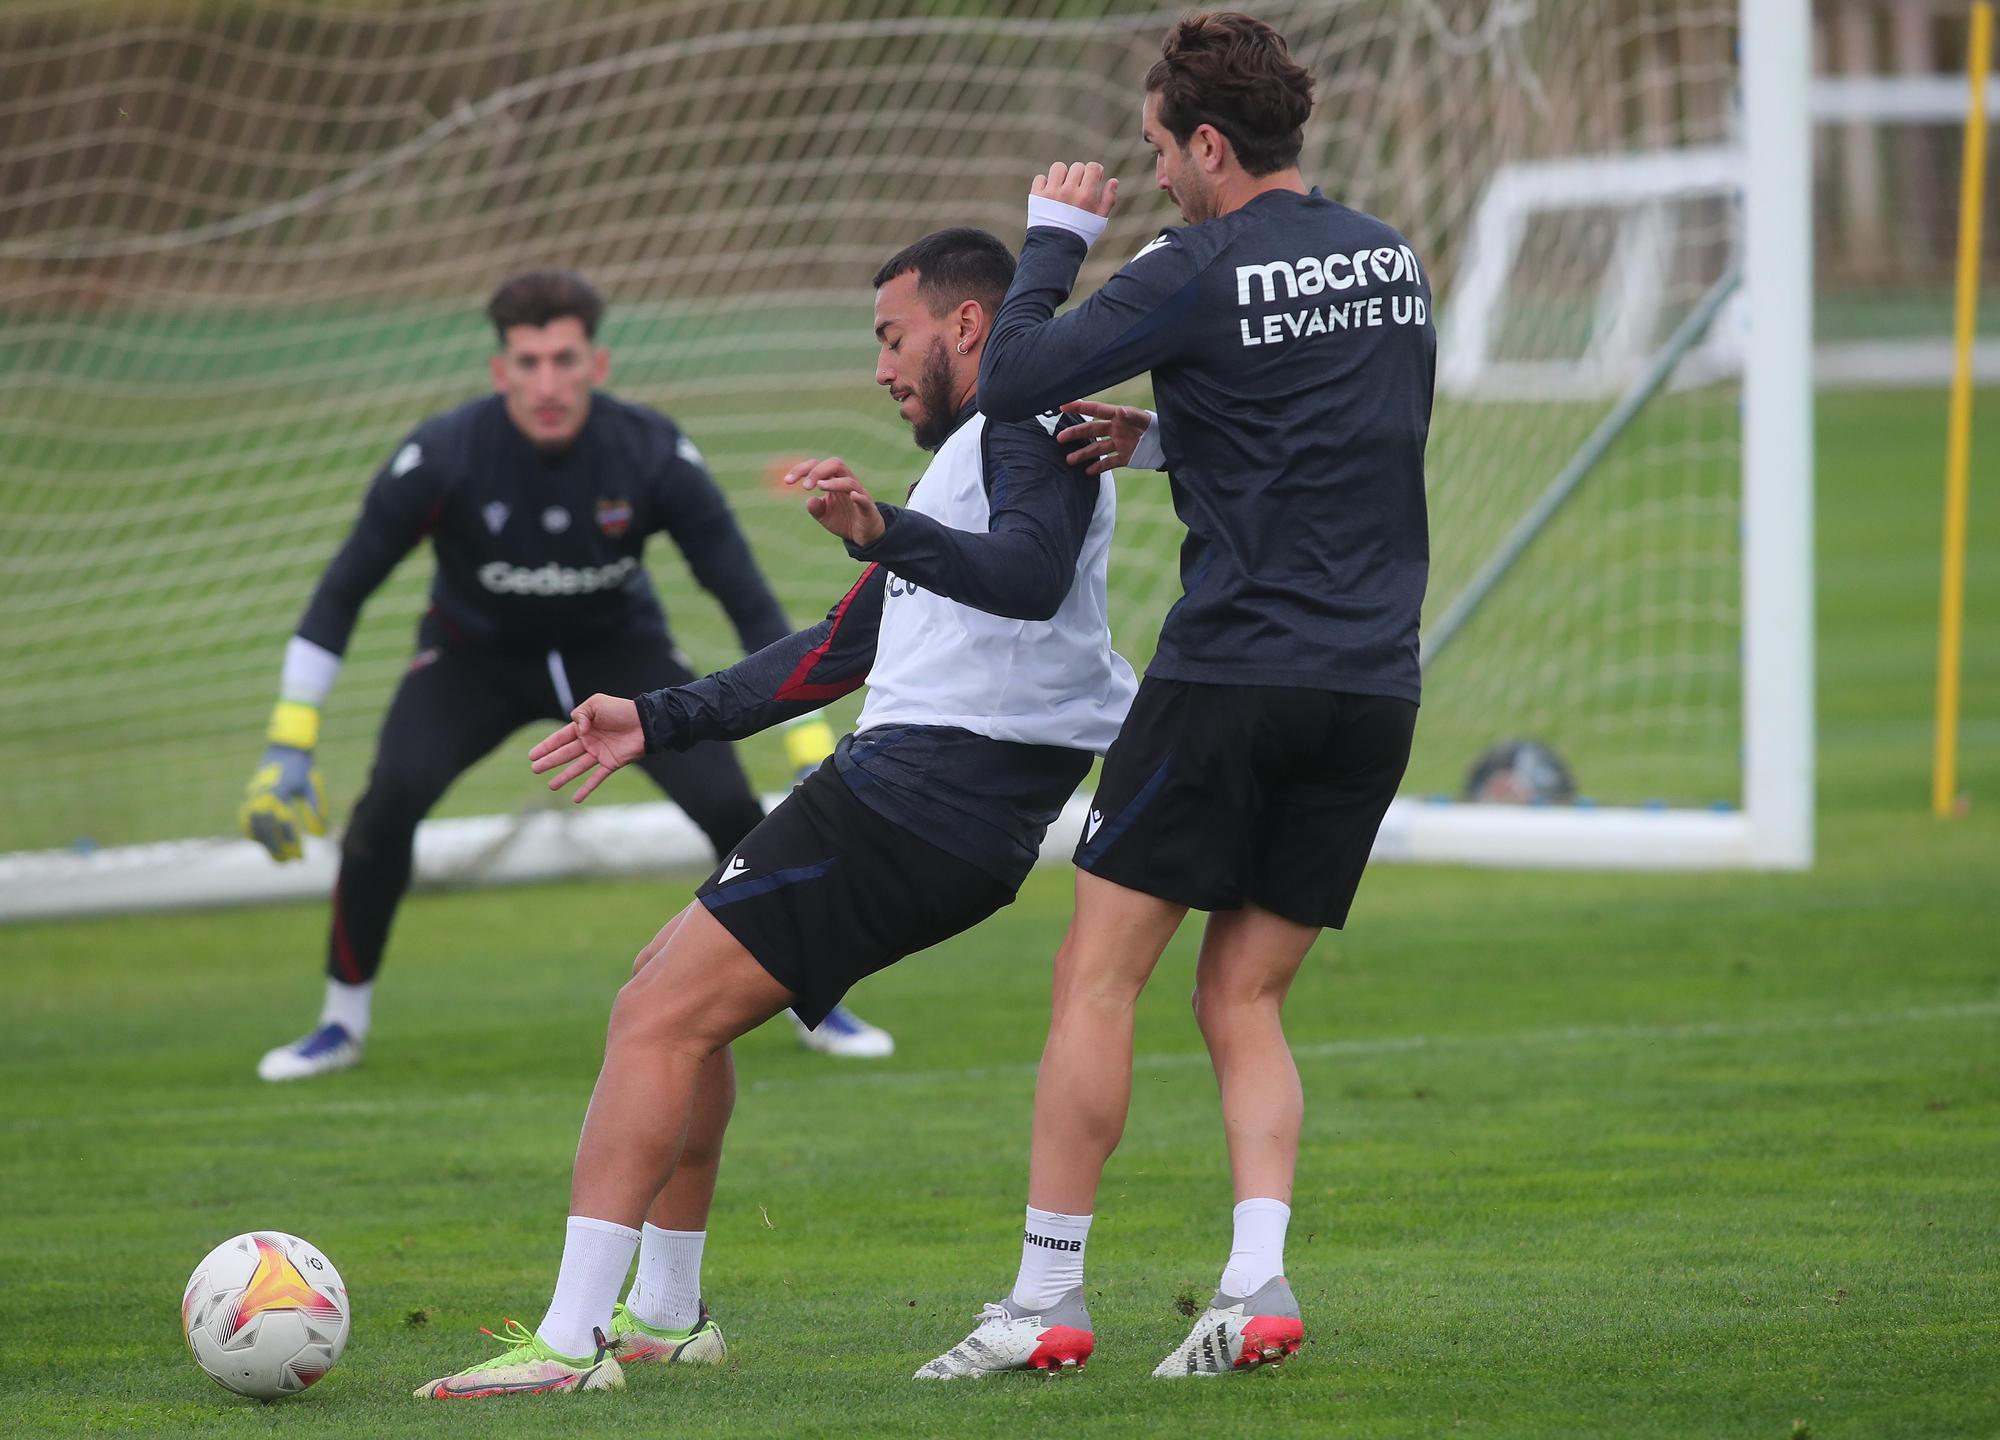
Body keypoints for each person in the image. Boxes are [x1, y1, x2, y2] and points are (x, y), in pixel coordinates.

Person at [413, 227, 1135, 1399]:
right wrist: (657, 718)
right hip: (911, 796)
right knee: (665, 998)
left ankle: (565, 1342)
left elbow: (1028, 577)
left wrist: (881, 531)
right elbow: (834, 654)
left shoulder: (1023, 428)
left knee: (655, 1017)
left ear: (966, 329)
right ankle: (664, 1312)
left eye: (890, 337)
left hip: (924, 804)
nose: (880, 367)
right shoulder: (973, 453)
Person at [922, 12, 1435, 1378]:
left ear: (1211, 143)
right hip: (1373, 687)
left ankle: (1045, 1305)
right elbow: (1338, 433)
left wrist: (1047, 237)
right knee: (1244, 999)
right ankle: (1258, 1284)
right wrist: (1167, 445)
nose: (1154, 174)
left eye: (1159, 149)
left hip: (1227, 679)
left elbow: (1011, 382)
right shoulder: (1392, 256)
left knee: (1096, 979)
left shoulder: (1196, 264)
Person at [240, 268, 894, 1081]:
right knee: (386, 807)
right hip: (472, 659)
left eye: (564, 360)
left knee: (732, 807)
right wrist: (288, 743)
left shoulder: (651, 451)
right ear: (499, 371)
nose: (547, 382)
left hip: (618, 654)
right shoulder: (442, 454)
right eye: (528, 362)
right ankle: (339, 1023)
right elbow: (340, 593)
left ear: (598, 365)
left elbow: (746, 599)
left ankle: (818, 1001)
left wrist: (806, 745)